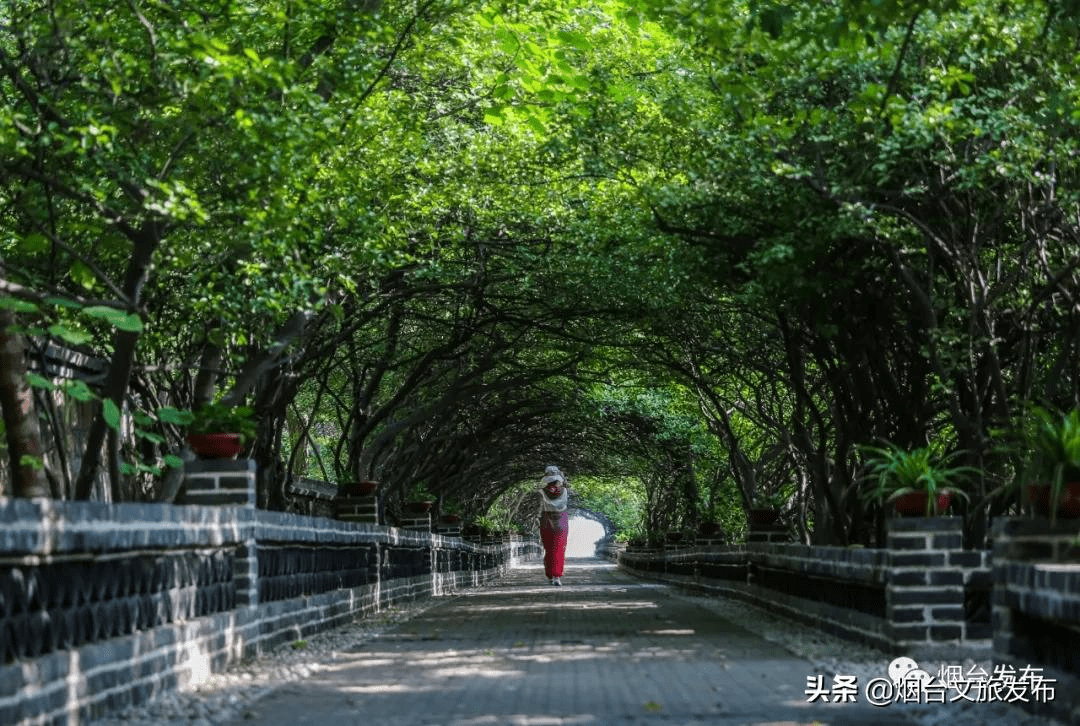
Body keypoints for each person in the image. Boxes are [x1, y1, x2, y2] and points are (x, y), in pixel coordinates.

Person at [537, 465, 571, 586]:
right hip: (561, 520)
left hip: (547, 520)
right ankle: (557, 576)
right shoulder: (565, 491)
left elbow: (539, 509)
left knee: (549, 548)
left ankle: (550, 575)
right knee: (559, 549)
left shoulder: (541, 492)